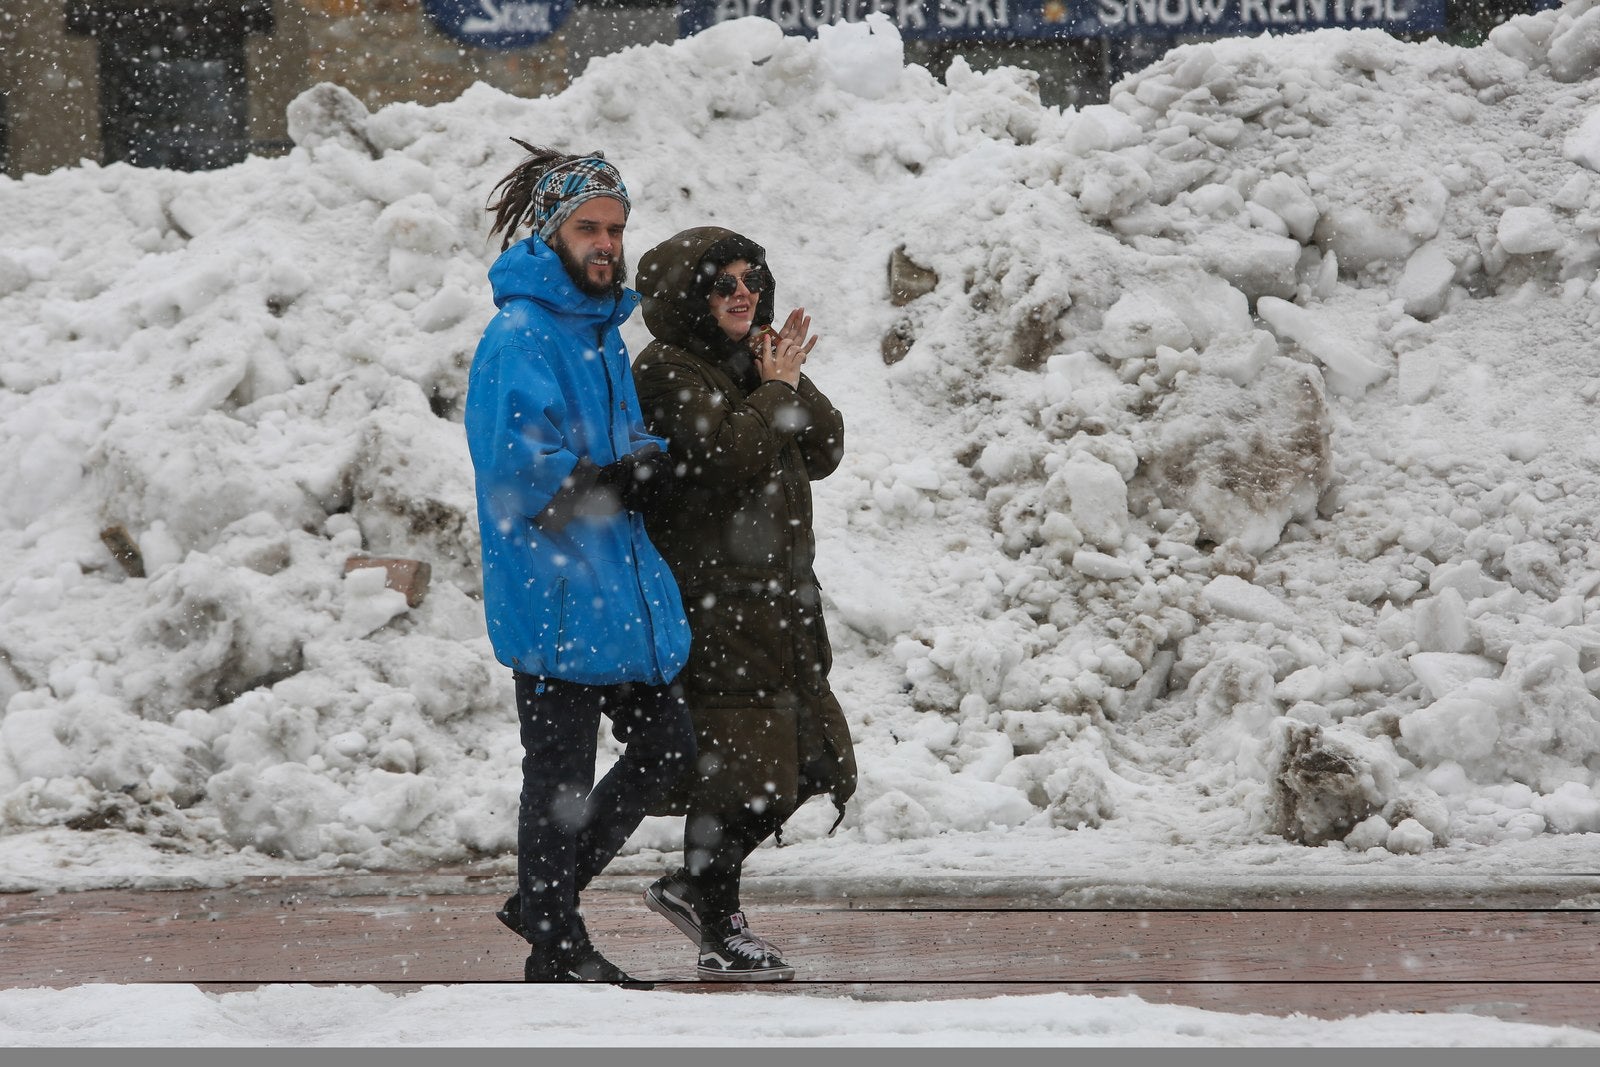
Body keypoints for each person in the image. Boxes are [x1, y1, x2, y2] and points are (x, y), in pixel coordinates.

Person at [463, 142, 695, 986]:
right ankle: (555, 946)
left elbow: (615, 445)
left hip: (615, 595)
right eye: (590, 228)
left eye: (616, 229)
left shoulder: (600, 333)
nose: (607, 243)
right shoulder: (518, 335)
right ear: (552, 232)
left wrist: (651, 458)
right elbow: (516, 477)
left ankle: (545, 901)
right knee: (558, 779)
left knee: (671, 746)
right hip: (556, 595)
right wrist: (609, 480)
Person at [631, 226, 858, 982]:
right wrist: (776, 388)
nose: (741, 293)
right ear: (687, 296)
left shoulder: (753, 361)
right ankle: (714, 914)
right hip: (718, 607)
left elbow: (822, 449)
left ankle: (697, 889)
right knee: (743, 771)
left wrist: (787, 376)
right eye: (721, 281)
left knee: (806, 764)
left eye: (749, 278)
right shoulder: (666, 370)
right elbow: (725, 456)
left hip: (782, 604)